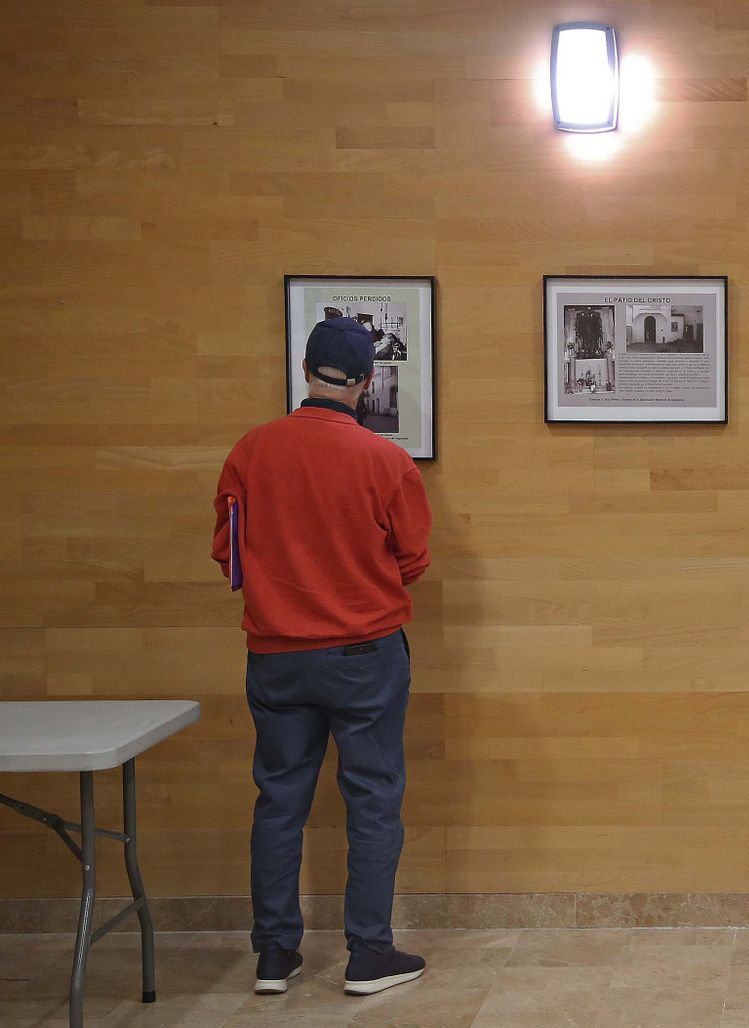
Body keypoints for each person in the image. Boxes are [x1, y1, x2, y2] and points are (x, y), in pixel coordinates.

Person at [212, 317, 432, 999]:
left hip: (276, 654)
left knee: (279, 800)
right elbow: (414, 558)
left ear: (305, 369)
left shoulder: (251, 451)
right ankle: (369, 954)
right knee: (371, 800)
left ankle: (274, 956)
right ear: (367, 383)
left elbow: (228, 552)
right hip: (366, 652)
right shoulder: (384, 460)